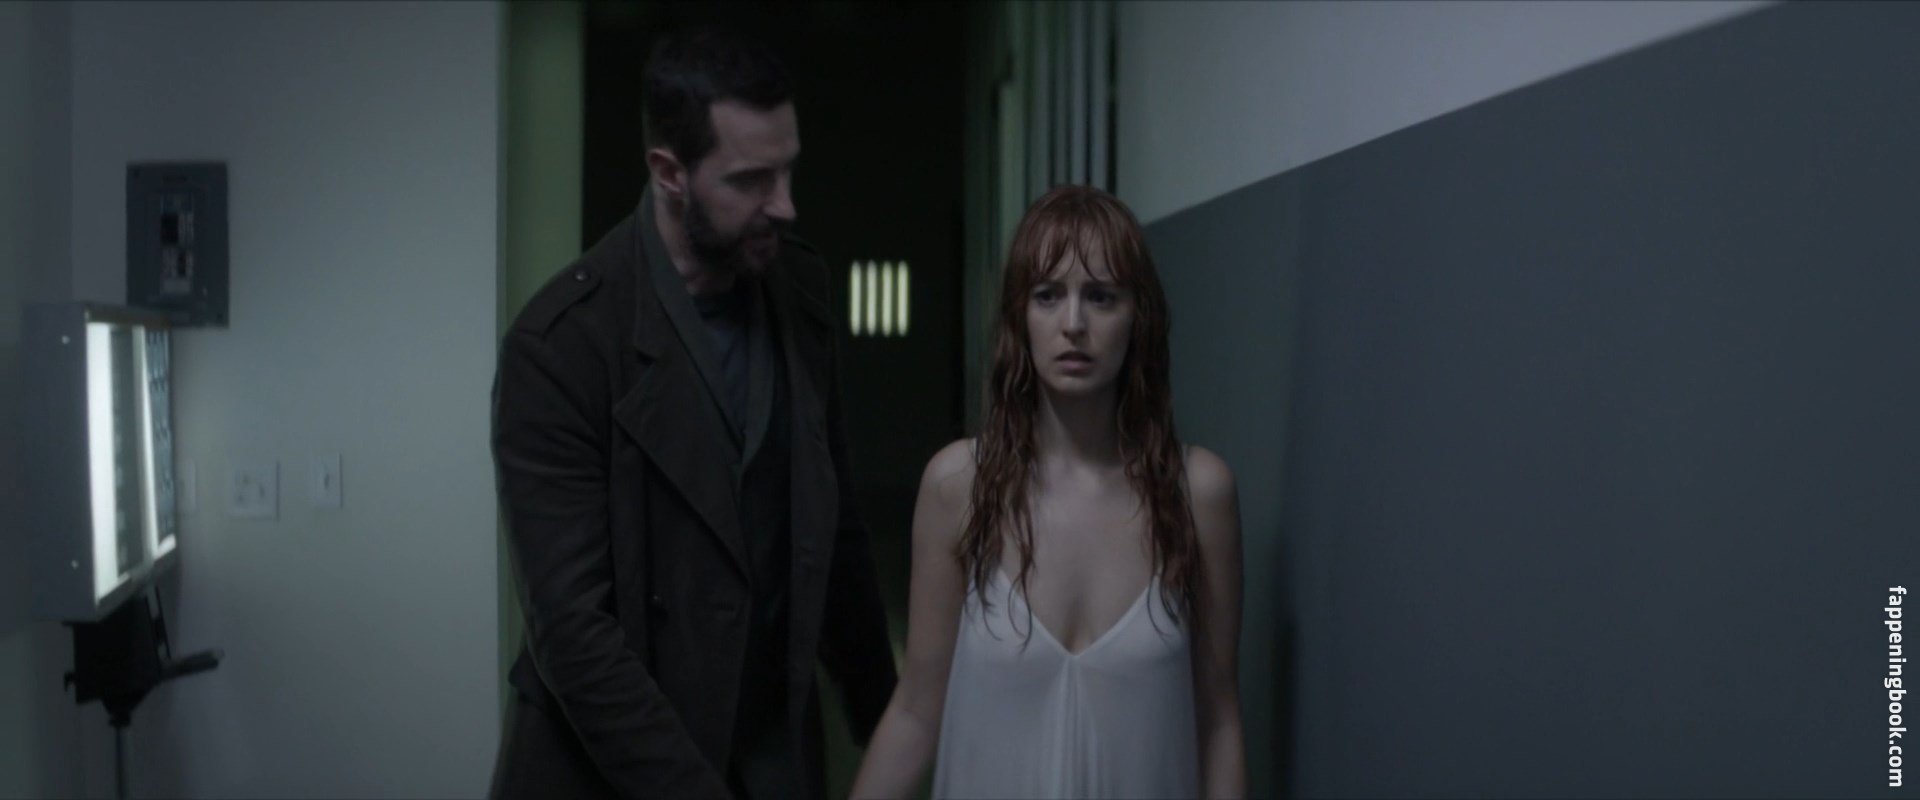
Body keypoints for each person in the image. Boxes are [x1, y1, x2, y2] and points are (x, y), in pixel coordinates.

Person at [489, 26, 897, 800]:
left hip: (769, 751)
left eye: (788, 170)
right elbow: (573, 635)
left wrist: (890, 720)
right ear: (669, 172)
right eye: (751, 180)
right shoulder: (562, 346)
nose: (785, 205)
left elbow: (834, 531)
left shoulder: (800, 293)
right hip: (608, 771)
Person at [848, 185, 1246, 798]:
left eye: (1101, 296)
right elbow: (917, 712)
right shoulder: (959, 485)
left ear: (1138, 317)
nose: (1074, 324)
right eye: (1048, 295)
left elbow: (1217, 720)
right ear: (1020, 316)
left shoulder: (1198, 494)